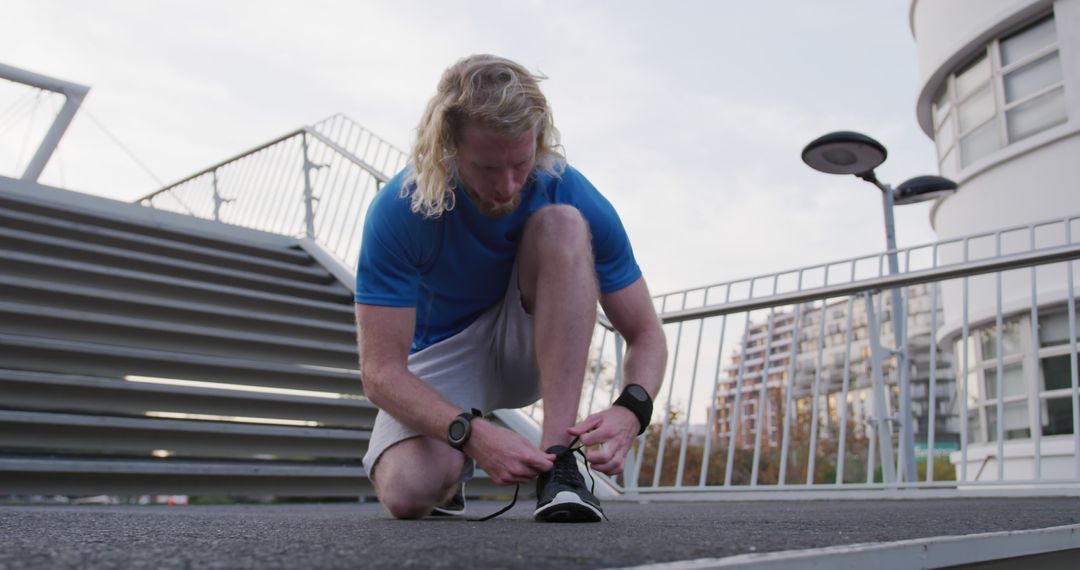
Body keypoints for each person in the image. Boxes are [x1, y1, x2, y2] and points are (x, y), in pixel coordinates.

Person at [354, 54, 666, 523]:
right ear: (448, 147)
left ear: (537, 142)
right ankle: (449, 471)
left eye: (520, 164)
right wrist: (469, 434)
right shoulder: (401, 209)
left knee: (563, 223)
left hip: (532, 338)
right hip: (447, 351)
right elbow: (379, 372)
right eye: (485, 168)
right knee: (407, 492)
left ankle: (560, 463)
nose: (506, 187)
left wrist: (632, 409)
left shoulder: (570, 190)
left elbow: (645, 333)